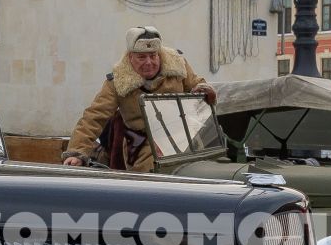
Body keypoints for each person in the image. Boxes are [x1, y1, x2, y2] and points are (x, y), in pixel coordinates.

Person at [62, 27, 216, 172]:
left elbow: (196, 83)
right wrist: (77, 152)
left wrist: (204, 89)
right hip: (145, 143)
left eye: (153, 55)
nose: (149, 62)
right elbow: (94, 117)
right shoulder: (117, 82)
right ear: (130, 58)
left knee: (209, 167)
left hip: (184, 136)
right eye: (142, 57)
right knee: (150, 179)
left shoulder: (178, 65)